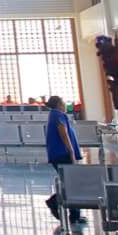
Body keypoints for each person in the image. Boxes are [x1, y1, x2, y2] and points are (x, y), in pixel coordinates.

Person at [44, 94, 83, 224]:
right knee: (72, 183)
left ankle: (75, 214)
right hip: (63, 154)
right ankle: (55, 202)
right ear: (59, 104)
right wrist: (71, 151)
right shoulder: (58, 115)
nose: (65, 105)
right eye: (63, 103)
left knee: (70, 182)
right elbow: (63, 132)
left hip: (59, 154)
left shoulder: (54, 114)